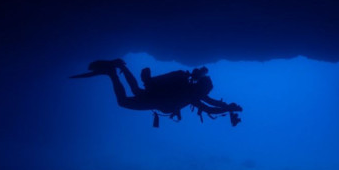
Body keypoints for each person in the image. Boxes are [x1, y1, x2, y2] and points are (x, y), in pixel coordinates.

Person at [70, 59, 243, 127]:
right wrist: (228, 108)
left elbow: (213, 104)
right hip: (157, 101)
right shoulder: (193, 95)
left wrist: (228, 107)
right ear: (204, 88)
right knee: (125, 100)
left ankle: (119, 68)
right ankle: (112, 72)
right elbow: (211, 107)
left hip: (155, 96)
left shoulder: (192, 92)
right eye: (207, 89)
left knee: (136, 90)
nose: (207, 92)